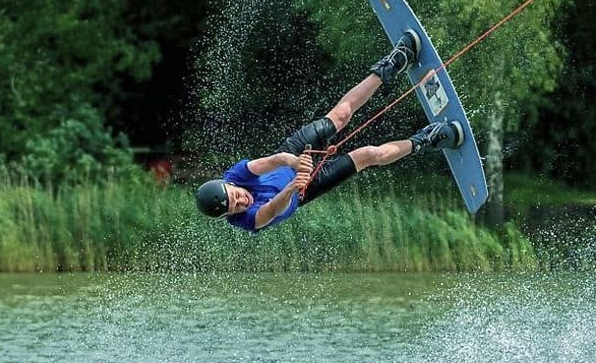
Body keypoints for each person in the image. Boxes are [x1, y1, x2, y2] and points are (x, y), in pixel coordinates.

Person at [195, 31, 464, 232]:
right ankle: (429, 139)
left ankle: (394, 63)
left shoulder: (235, 175)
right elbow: (271, 209)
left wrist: (294, 161)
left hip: (292, 153)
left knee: (340, 116)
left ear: (229, 184)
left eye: (236, 196)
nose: (242, 201)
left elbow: (271, 161)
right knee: (369, 155)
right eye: (236, 206)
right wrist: (294, 185)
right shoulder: (244, 221)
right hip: (303, 190)